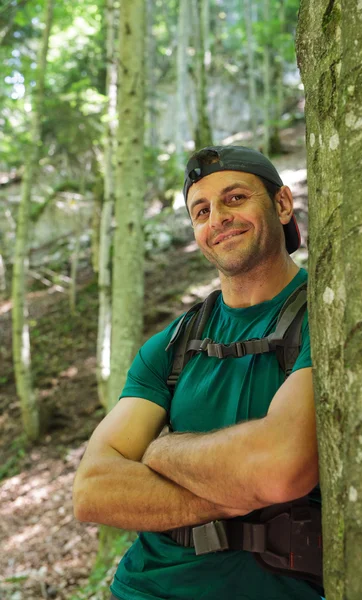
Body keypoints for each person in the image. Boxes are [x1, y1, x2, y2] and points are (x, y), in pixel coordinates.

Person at [73, 145, 321, 600]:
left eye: (235, 198)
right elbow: (93, 489)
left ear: (282, 204)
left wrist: (162, 451)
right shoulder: (172, 344)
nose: (217, 218)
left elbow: (281, 469)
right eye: (201, 211)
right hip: (140, 589)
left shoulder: (322, 317)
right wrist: (238, 492)